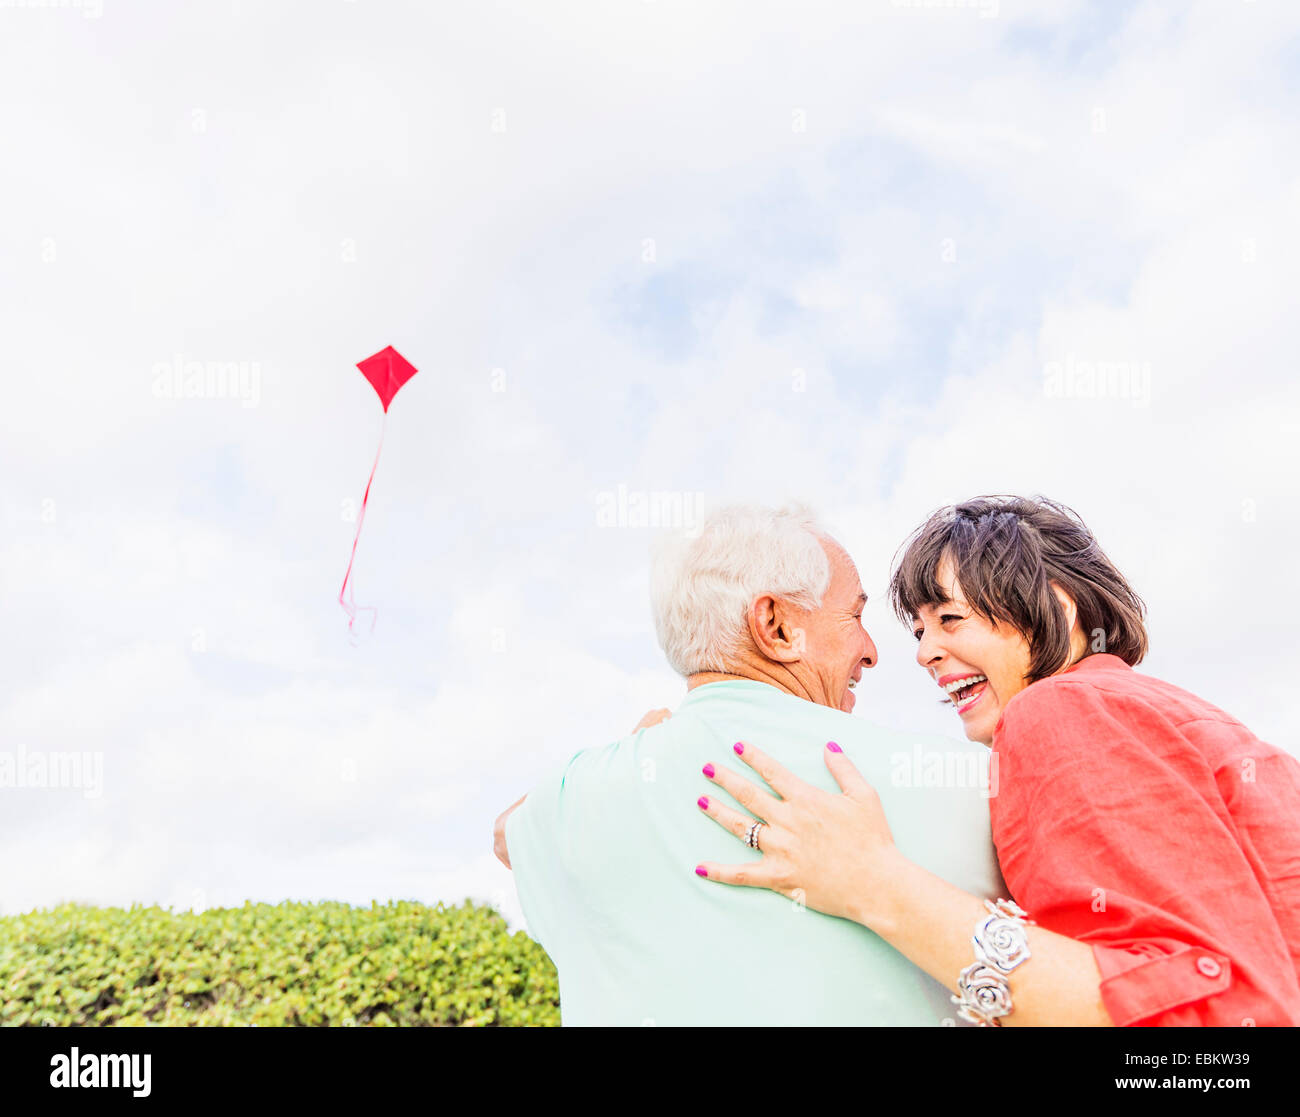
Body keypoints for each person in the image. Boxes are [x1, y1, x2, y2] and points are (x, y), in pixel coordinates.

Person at [693, 495, 1300, 1026]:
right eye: (920, 631)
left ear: (1057, 608)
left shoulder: (1058, 711)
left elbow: (1212, 1016)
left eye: (950, 619)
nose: (926, 653)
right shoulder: (1157, 714)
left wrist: (871, 882)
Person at [495, 504, 1003, 1025]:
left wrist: (617, 760)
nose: (871, 652)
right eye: (854, 615)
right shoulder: (973, 783)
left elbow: (506, 834)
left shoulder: (571, 806)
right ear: (776, 626)